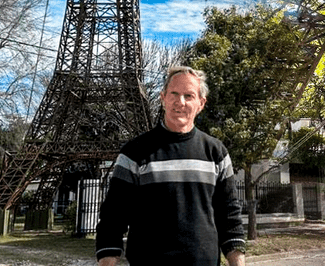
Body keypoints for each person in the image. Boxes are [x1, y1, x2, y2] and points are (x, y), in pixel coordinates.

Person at [95, 66, 246, 266]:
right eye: (174, 94)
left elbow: (229, 216)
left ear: (201, 103)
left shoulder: (216, 152)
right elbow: (114, 216)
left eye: (189, 95)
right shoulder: (134, 152)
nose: (180, 102)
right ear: (163, 97)